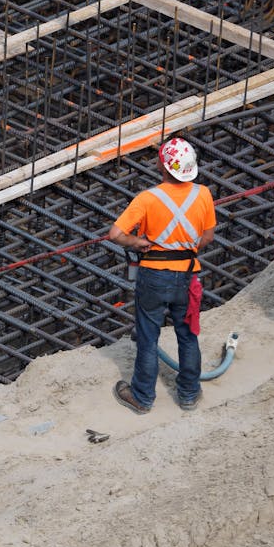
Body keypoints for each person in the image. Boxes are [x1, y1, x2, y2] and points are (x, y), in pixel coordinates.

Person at [107, 137, 216, 414]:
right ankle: (189, 394)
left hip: (154, 275)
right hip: (188, 275)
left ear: (163, 166)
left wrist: (136, 243)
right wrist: (185, 248)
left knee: (148, 337)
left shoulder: (148, 198)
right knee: (188, 334)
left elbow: (116, 234)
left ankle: (142, 398)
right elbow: (207, 237)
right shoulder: (203, 193)